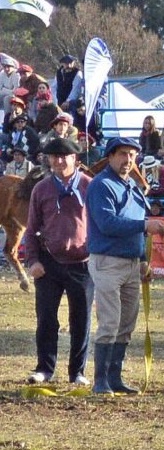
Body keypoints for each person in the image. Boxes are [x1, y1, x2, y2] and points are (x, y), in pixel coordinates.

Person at [85, 137, 164, 394]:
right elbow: (108, 223)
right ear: (110, 156)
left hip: (131, 263)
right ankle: (100, 381)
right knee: (109, 321)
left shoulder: (132, 185)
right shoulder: (101, 185)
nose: (128, 160)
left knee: (126, 324)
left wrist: (142, 261)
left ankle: (114, 378)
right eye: (122, 154)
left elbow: (137, 226)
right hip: (107, 262)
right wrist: (144, 225)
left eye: (132, 155)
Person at [23, 138, 92, 386]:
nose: (59, 161)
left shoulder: (88, 186)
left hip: (82, 263)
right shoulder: (41, 189)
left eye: (64, 156)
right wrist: (32, 261)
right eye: (54, 156)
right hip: (48, 262)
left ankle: (78, 371)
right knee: (46, 318)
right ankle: (44, 368)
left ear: (75, 159)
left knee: (81, 320)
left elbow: (98, 223)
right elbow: (31, 229)